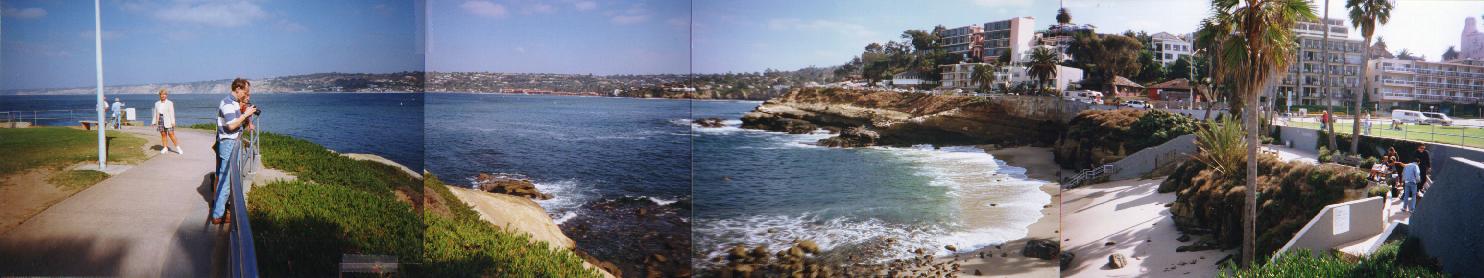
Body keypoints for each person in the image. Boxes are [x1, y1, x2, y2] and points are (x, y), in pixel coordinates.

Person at [210, 78, 258, 225]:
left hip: (232, 143)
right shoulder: (227, 103)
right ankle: (218, 215)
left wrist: (247, 118)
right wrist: (246, 114)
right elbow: (231, 126)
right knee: (226, 180)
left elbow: (237, 122)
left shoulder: (235, 103)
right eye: (246, 91)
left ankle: (224, 210)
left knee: (230, 179)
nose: (247, 94)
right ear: (238, 89)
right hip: (228, 144)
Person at [152, 89, 182, 154]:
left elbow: (172, 113)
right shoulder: (157, 103)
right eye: (161, 94)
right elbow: (155, 113)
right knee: (163, 134)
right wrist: (153, 122)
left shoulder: (170, 103)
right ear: (159, 95)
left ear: (166, 95)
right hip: (160, 119)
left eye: (164, 94)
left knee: (171, 134)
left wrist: (173, 122)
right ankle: (165, 148)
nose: (163, 96)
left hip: (168, 120)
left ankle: (178, 148)